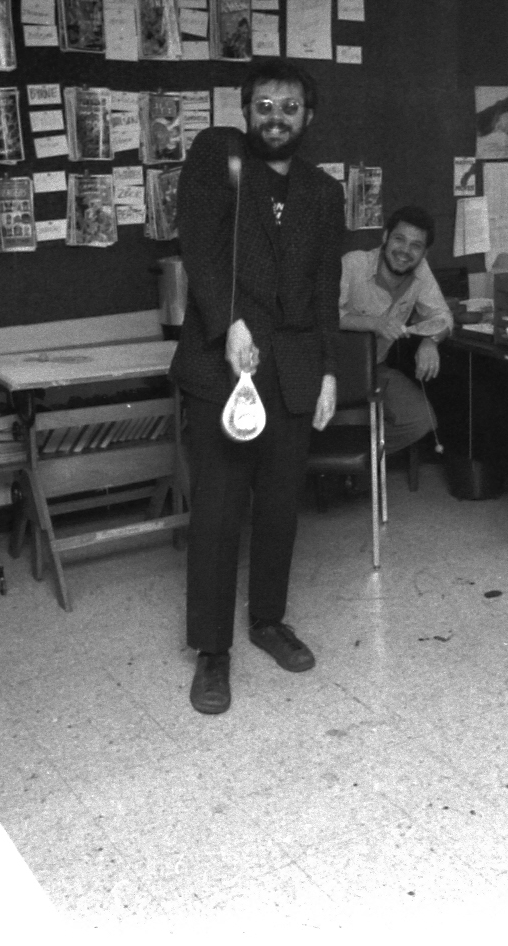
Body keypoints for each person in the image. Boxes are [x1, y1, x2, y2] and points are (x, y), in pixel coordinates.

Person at [173, 59, 345, 717]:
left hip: (295, 370)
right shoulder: (218, 157)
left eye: (290, 108)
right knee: (218, 512)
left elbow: (325, 287)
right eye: (264, 106)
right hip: (223, 367)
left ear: (309, 117)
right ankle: (212, 652)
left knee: (278, 508)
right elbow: (201, 249)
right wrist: (228, 323)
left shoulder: (322, 192)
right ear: (247, 111)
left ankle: (268, 621)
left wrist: (329, 370)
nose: (276, 118)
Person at [338, 204, 453, 458]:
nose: (405, 251)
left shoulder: (421, 271)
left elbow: (443, 316)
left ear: (424, 252)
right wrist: (375, 323)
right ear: (385, 237)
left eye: (416, 246)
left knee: (421, 420)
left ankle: (359, 463)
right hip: (332, 371)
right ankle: (335, 460)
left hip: (375, 369)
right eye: (399, 239)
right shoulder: (353, 264)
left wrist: (431, 341)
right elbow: (326, 315)